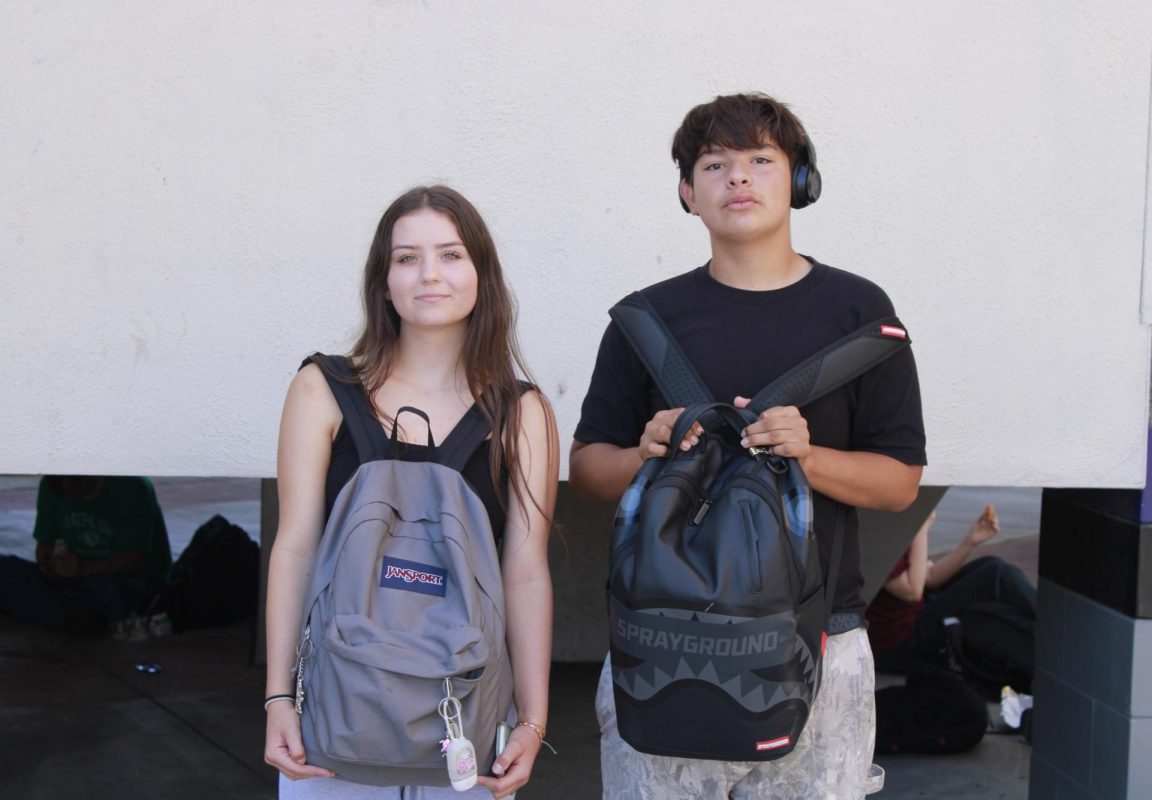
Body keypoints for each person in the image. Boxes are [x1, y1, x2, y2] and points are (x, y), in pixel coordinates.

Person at [570, 93, 926, 799]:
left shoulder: (859, 316)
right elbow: (587, 469)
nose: (739, 178)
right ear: (687, 193)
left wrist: (810, 456)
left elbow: (900, 483)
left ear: (798, 183)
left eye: (761, 160)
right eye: (715, 164)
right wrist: (643, 451)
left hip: (823, 639)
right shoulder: (646, 322)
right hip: (662, 639)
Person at [262, 186, 558, 800]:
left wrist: (532, 719)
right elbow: (294, 548)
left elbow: (525, 571)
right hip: (334, 724)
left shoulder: (520, 412)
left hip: (468, 724)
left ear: (482, 274)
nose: (430, 275)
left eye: (451, 255)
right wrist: (277, 698)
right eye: (407, 258)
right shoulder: (323, 389)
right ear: (383, 280)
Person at [867, 505, 1037, 680]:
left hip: (915, 619)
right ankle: (1049, 625)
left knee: (991, 566)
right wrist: (921, 529)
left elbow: (930, 577)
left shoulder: (896, 523)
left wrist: (970, 541)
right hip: (897, 646)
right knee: (993, 572)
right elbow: (912, 591)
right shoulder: (875, 534)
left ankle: (1043, 627)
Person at [0, 475, 172, 633]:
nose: (71, 494)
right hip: (74, 583)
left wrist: (83, 568)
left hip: (122, 580)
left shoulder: (132, 486)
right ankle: (75, 617)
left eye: (77, 488)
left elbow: (136, 561)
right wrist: (48, 564)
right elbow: (45, 543)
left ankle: (63, 615)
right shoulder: (51, 485)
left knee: (110, 592)